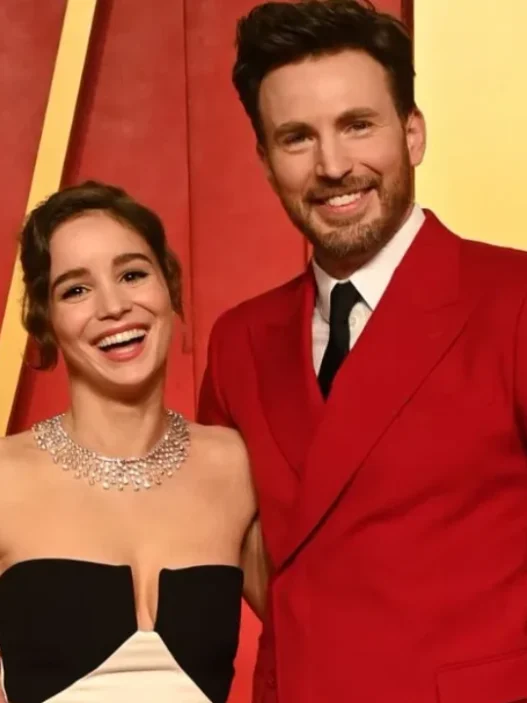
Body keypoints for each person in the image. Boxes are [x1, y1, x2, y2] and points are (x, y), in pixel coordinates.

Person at [198, 1, 527, 702]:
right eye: (296, 137)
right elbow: (233, 543)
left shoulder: (514, 300)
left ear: (412, 133)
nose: (333, 166)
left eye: (357, 125)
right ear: (264, 161)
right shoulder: (239, 342)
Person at [0, 181, 266, 703]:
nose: (114, 306)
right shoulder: (6, 480)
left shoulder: (235, 466)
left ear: (169, 287)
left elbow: (318, 633)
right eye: (76, 290)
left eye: (132, 274)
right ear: (46, 320)